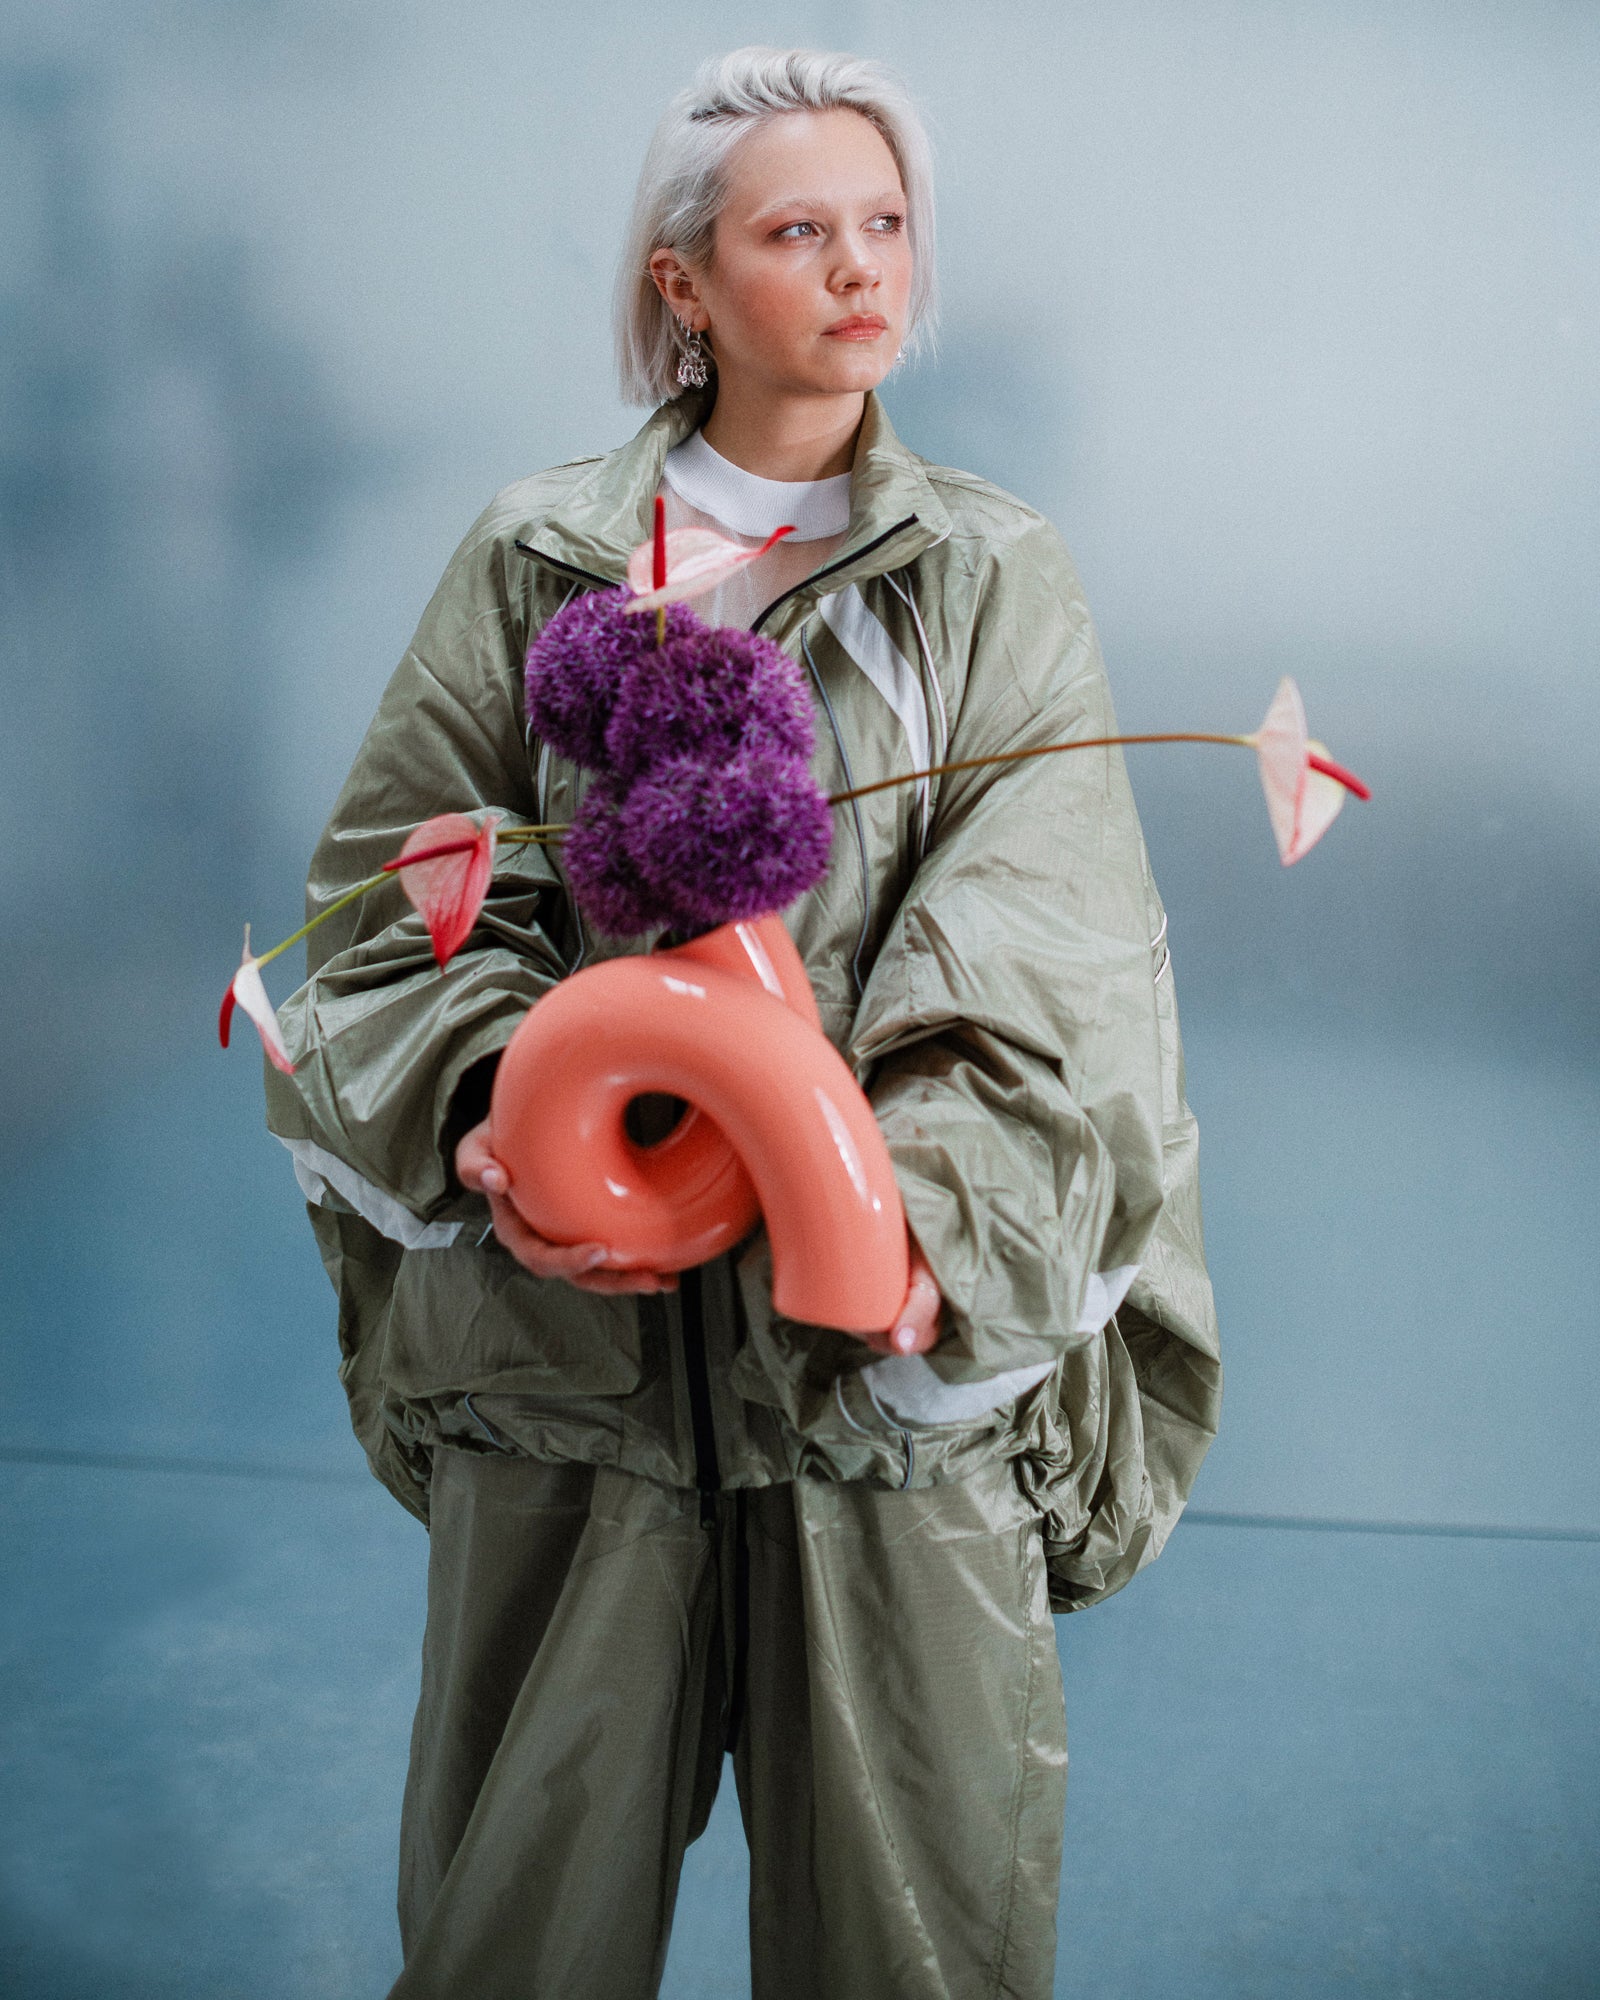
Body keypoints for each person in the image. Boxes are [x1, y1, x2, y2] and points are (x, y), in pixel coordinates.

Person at [264, 44, 1220, 2000]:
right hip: (566, 1374)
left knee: (915, 1935)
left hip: (879, 1391)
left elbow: (1050, 950)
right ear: (679, 282)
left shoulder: (986, 579)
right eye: (800, 231)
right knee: (510, 1929)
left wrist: (908, 1239)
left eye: (884, 228)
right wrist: (482, 1100)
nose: (864, 272)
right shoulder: (535, 561)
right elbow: (392, 892)